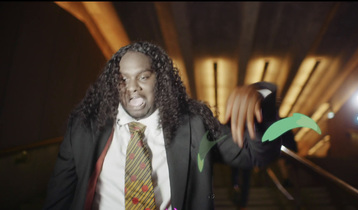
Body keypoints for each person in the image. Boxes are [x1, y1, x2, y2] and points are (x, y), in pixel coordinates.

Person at [43, 41, 281, 210]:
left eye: (143, 77)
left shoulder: (195, 126)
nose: (133, 87)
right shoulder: (84, 128)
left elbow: (256, 156)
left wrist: (262, 96)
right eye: (123, 79)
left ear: (161, 79)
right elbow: (58, 199)